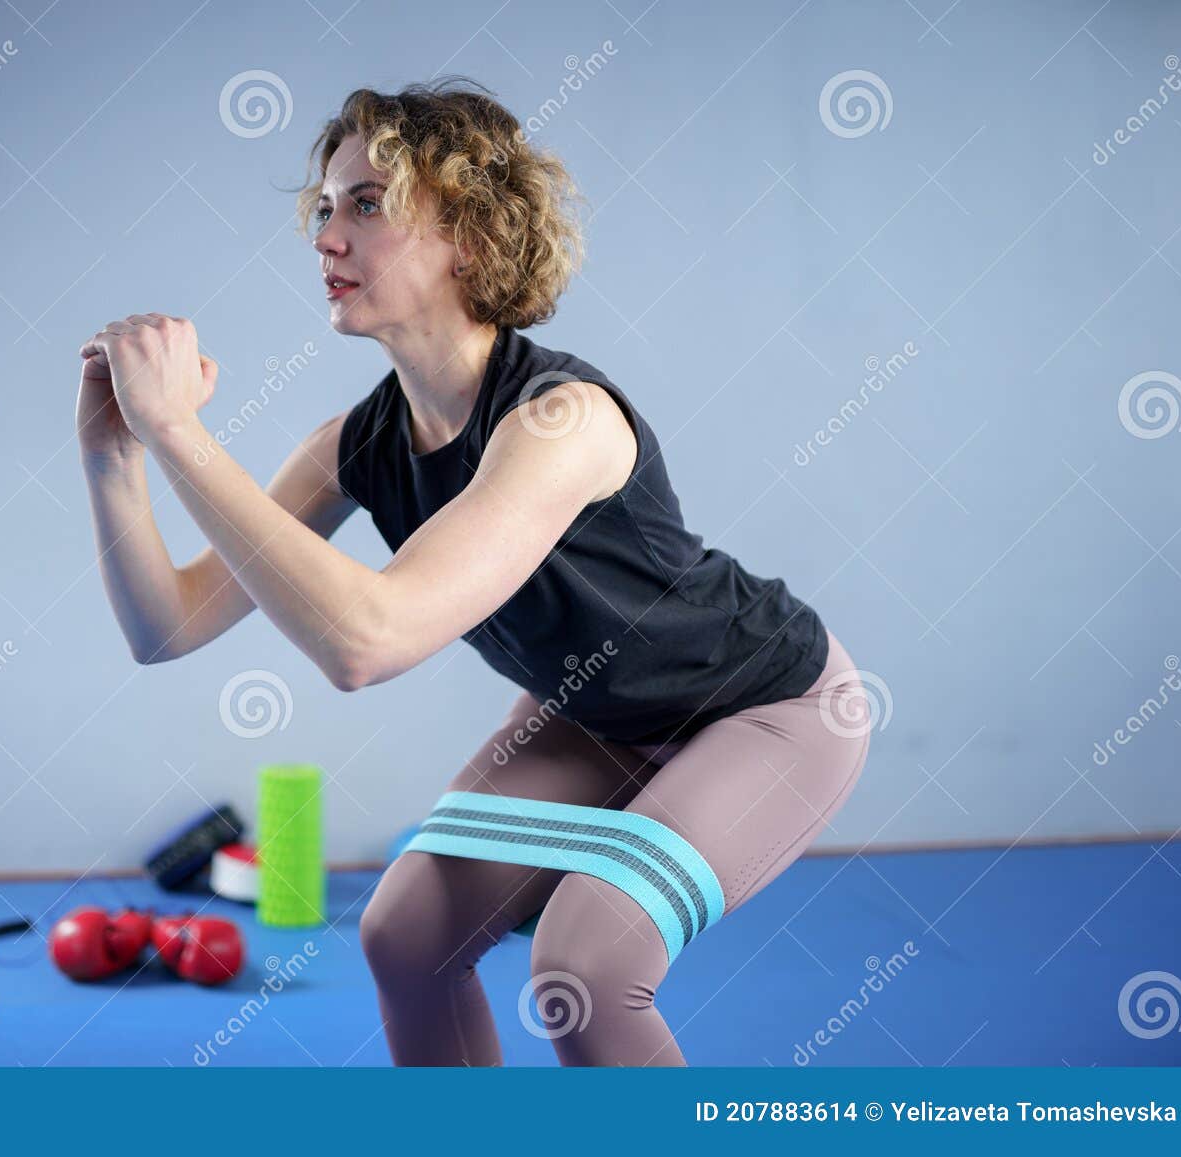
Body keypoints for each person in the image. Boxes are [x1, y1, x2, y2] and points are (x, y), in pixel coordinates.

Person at [76, 78, 872, 1067]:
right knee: (404, 936)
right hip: (594, 716)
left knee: (583, 967)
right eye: (324, 207)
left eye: (367, 203)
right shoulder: (355, 446)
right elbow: (170, 626)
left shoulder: (559, 419)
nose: (327, 235)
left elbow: (368, 640)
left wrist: (181, 432)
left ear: (471, 236)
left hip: (765, 709)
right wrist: (118, 456)